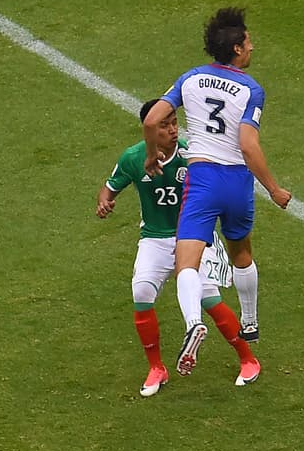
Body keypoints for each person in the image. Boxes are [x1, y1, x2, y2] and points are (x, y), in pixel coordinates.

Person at [143, 7, 291, 377]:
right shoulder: (251, 89)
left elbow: (151, 119)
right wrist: (272, 188)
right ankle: (251, 320)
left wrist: (152, 155)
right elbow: (248, 144)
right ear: (238, 50)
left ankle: (194, 321)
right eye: (249, 42)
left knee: (186, 262)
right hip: (237, 184)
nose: (252, 46)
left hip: (203, 181)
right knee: (241, 252)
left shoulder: (190, 79)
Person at [98, 99, 261, 395]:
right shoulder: (133, 158)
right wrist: (105, 201)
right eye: (165, 125)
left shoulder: (191, 155)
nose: (173, 129)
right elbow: (111, 185)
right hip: (154, 237)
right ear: (148, 130)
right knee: (142, 293)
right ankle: (156, 369)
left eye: (174, 122)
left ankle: (248, 359)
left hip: (193, 235)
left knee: (209, 298)